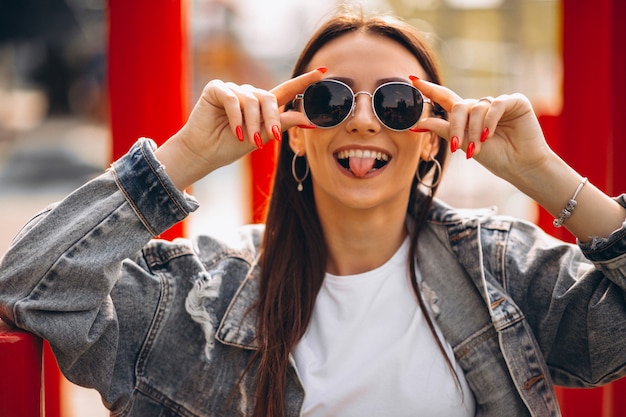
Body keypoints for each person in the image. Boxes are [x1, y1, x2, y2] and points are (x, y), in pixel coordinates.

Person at [1, 8, 625, 417]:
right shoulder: (200, 298)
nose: (360, 119)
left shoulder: (502, 273)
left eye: (397, 103)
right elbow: (32, 288)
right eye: (328, 99)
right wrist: (185, 156)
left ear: (431, 134)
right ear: (295, 133)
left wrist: (542, 172)